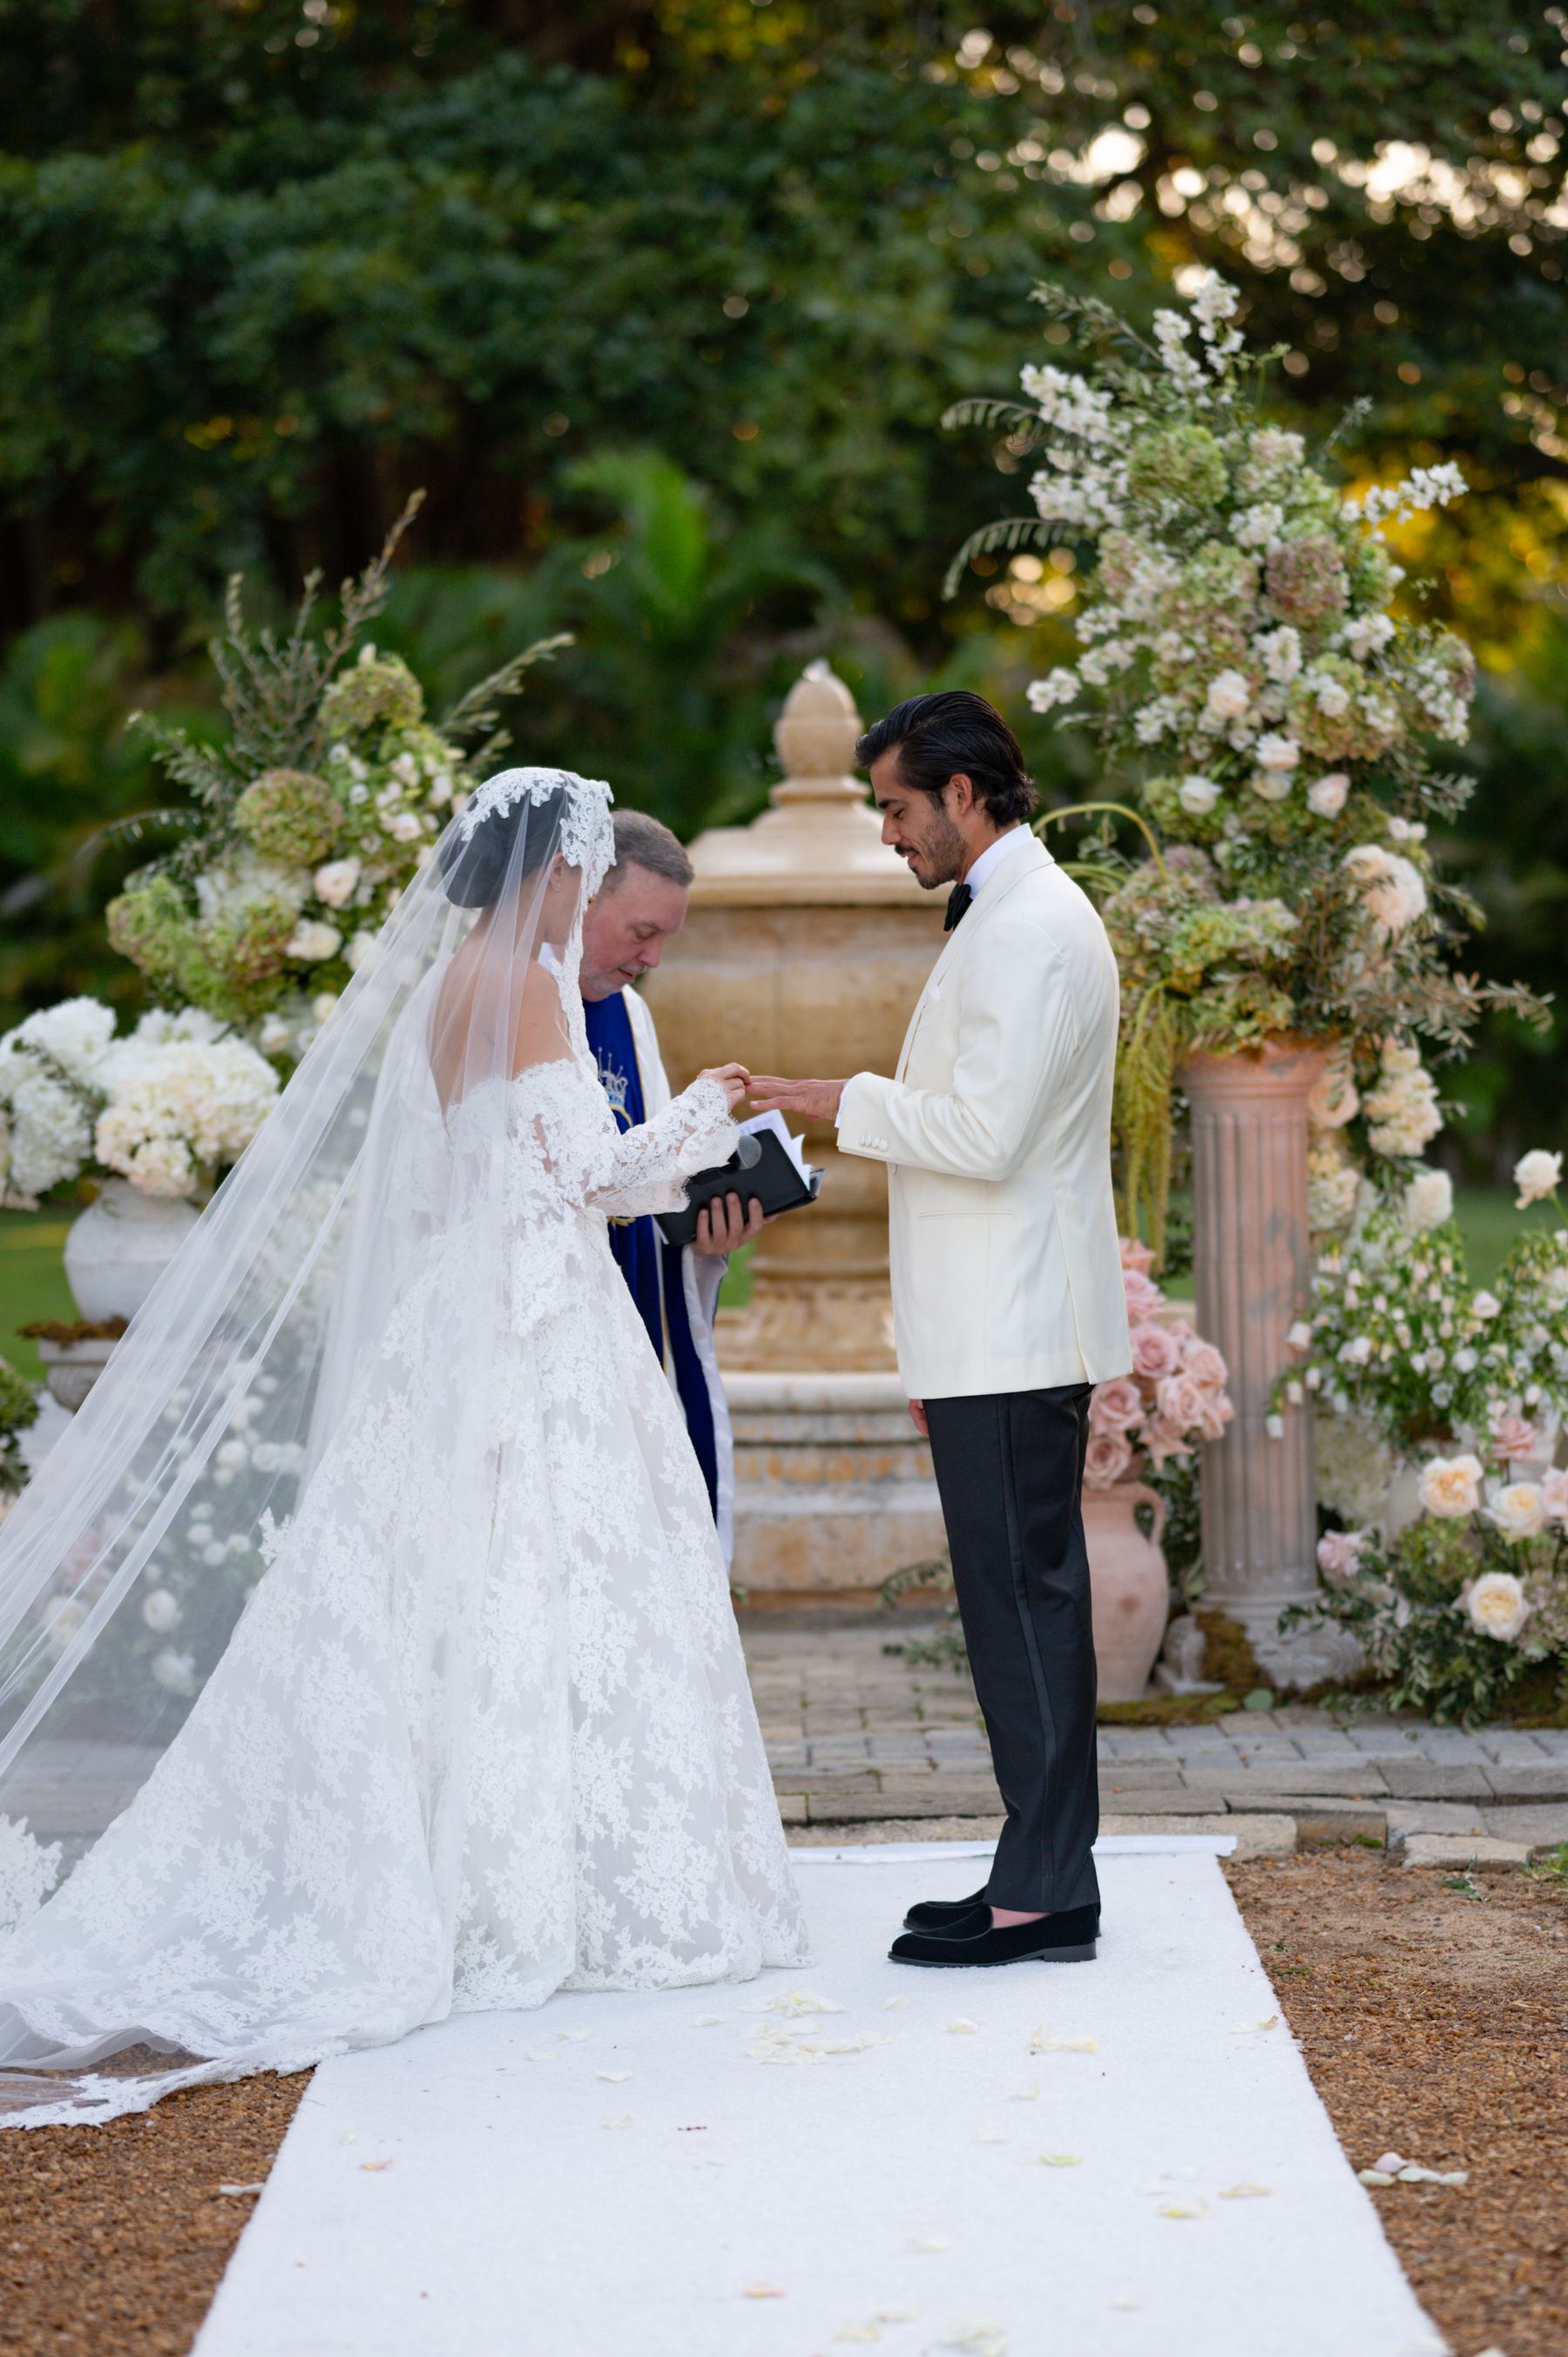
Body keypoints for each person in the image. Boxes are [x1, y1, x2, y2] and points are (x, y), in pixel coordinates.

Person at [0, 768, 805, 2128]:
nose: (586, 896)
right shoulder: (536, 986)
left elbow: (507, 1168)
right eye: (584, 870)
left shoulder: (448, 991)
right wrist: (705, 1114)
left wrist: (669, 1152)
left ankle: (470, 1845)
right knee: (552, 1581)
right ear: (551, 869)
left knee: (453, 1583)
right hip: (537, 1316)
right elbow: (587, 1180)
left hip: (462, 1306)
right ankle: (525, 1882)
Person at [750, 692, 1130, 1970]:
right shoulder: (1013, 914)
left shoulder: (1030, 930)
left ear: (964, 796)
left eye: (900, 808)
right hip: (1000, 1323)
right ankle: (1043, 1871)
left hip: (1014, 1325)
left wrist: (828, 1096)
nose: (887, 835)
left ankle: (1042, 1891)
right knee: (1021, 1601)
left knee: (1020, 1603)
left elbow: (984, 1135)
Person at [578, 811, 761, 1562]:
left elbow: (651, 1173)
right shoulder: (502, 1009)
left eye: (664, 941)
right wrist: (698, 1107)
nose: (650, 958)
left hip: (621, 1332)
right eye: (640, 931)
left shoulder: (631, 1014)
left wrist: (703, 1238)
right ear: (581, 894)